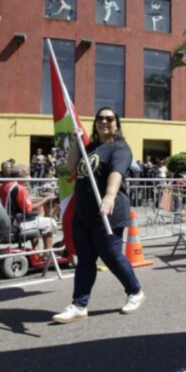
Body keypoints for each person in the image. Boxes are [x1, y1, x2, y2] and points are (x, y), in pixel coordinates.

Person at [52, 107, 144, 324]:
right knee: (85, 259)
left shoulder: (119, 147)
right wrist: (76, 141)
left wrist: (109, 196)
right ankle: (79, 305)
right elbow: (72, 168)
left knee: (111, 254)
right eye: (100, 118)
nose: (104, 121)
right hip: (84, 211)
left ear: (117, 124)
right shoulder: (89, 147)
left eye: (110, 118)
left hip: (109, 210)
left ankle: (135, 291)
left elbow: (116, 172)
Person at [0, 165, 57, 252]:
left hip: (7, 222)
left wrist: (41, 198)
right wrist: (47, 199)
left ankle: (36, 251)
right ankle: (47, 254)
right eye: (28, 174)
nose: (30, 177)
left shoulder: (5, 185)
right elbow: (28, 209)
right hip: (16, 224)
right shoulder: (20, 188)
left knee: (36, 220)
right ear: (20, 176)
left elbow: (18, 199)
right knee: (49, 222)